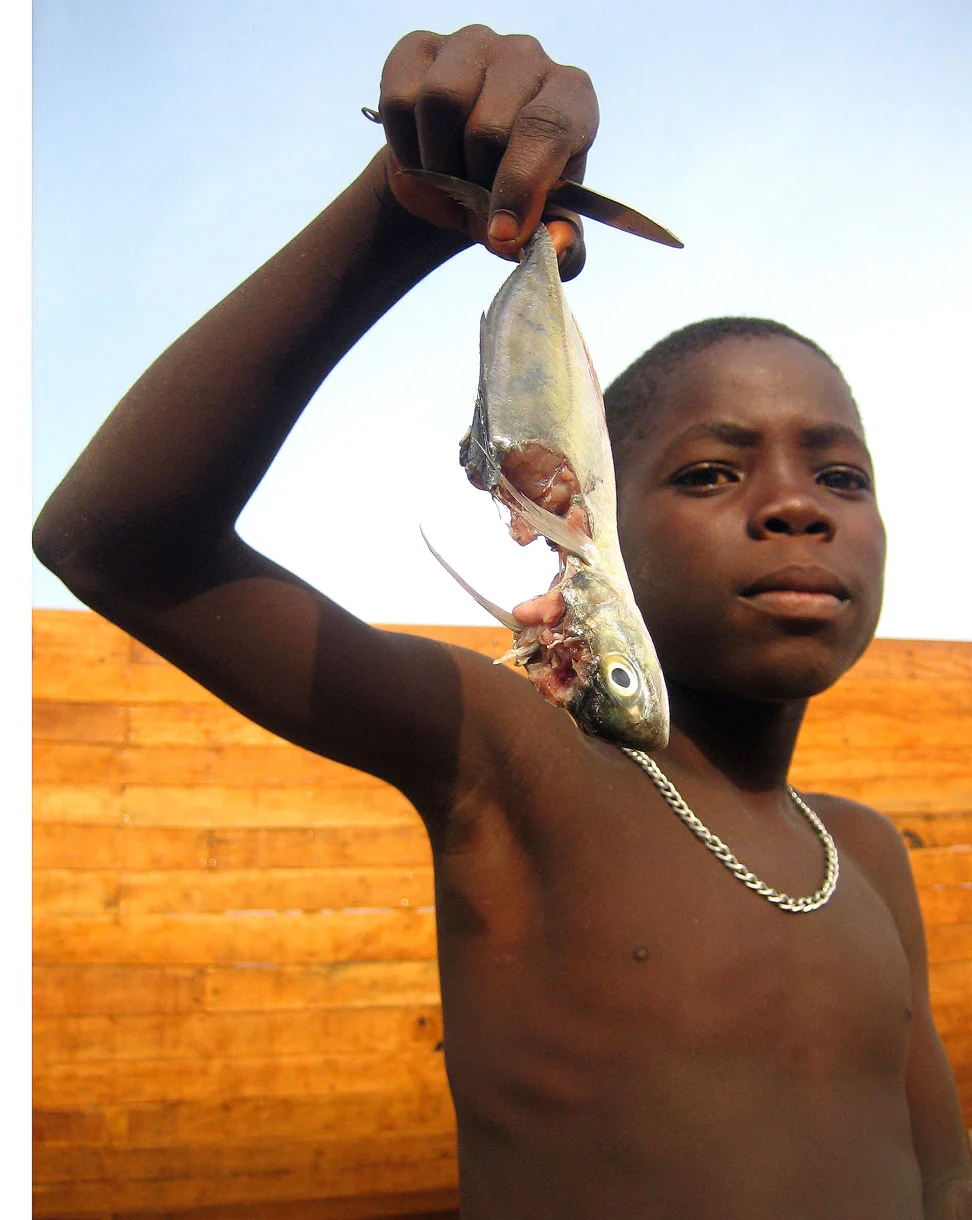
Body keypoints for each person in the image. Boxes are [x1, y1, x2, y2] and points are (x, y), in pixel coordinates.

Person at [33, 25, 971, 1220]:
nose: (795, 504)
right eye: (710, 473)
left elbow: (941, 1167)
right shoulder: (516, 760)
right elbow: (116, 542)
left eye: (842, 476)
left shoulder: (872, 854)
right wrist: (404, 216)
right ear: (591, 510)